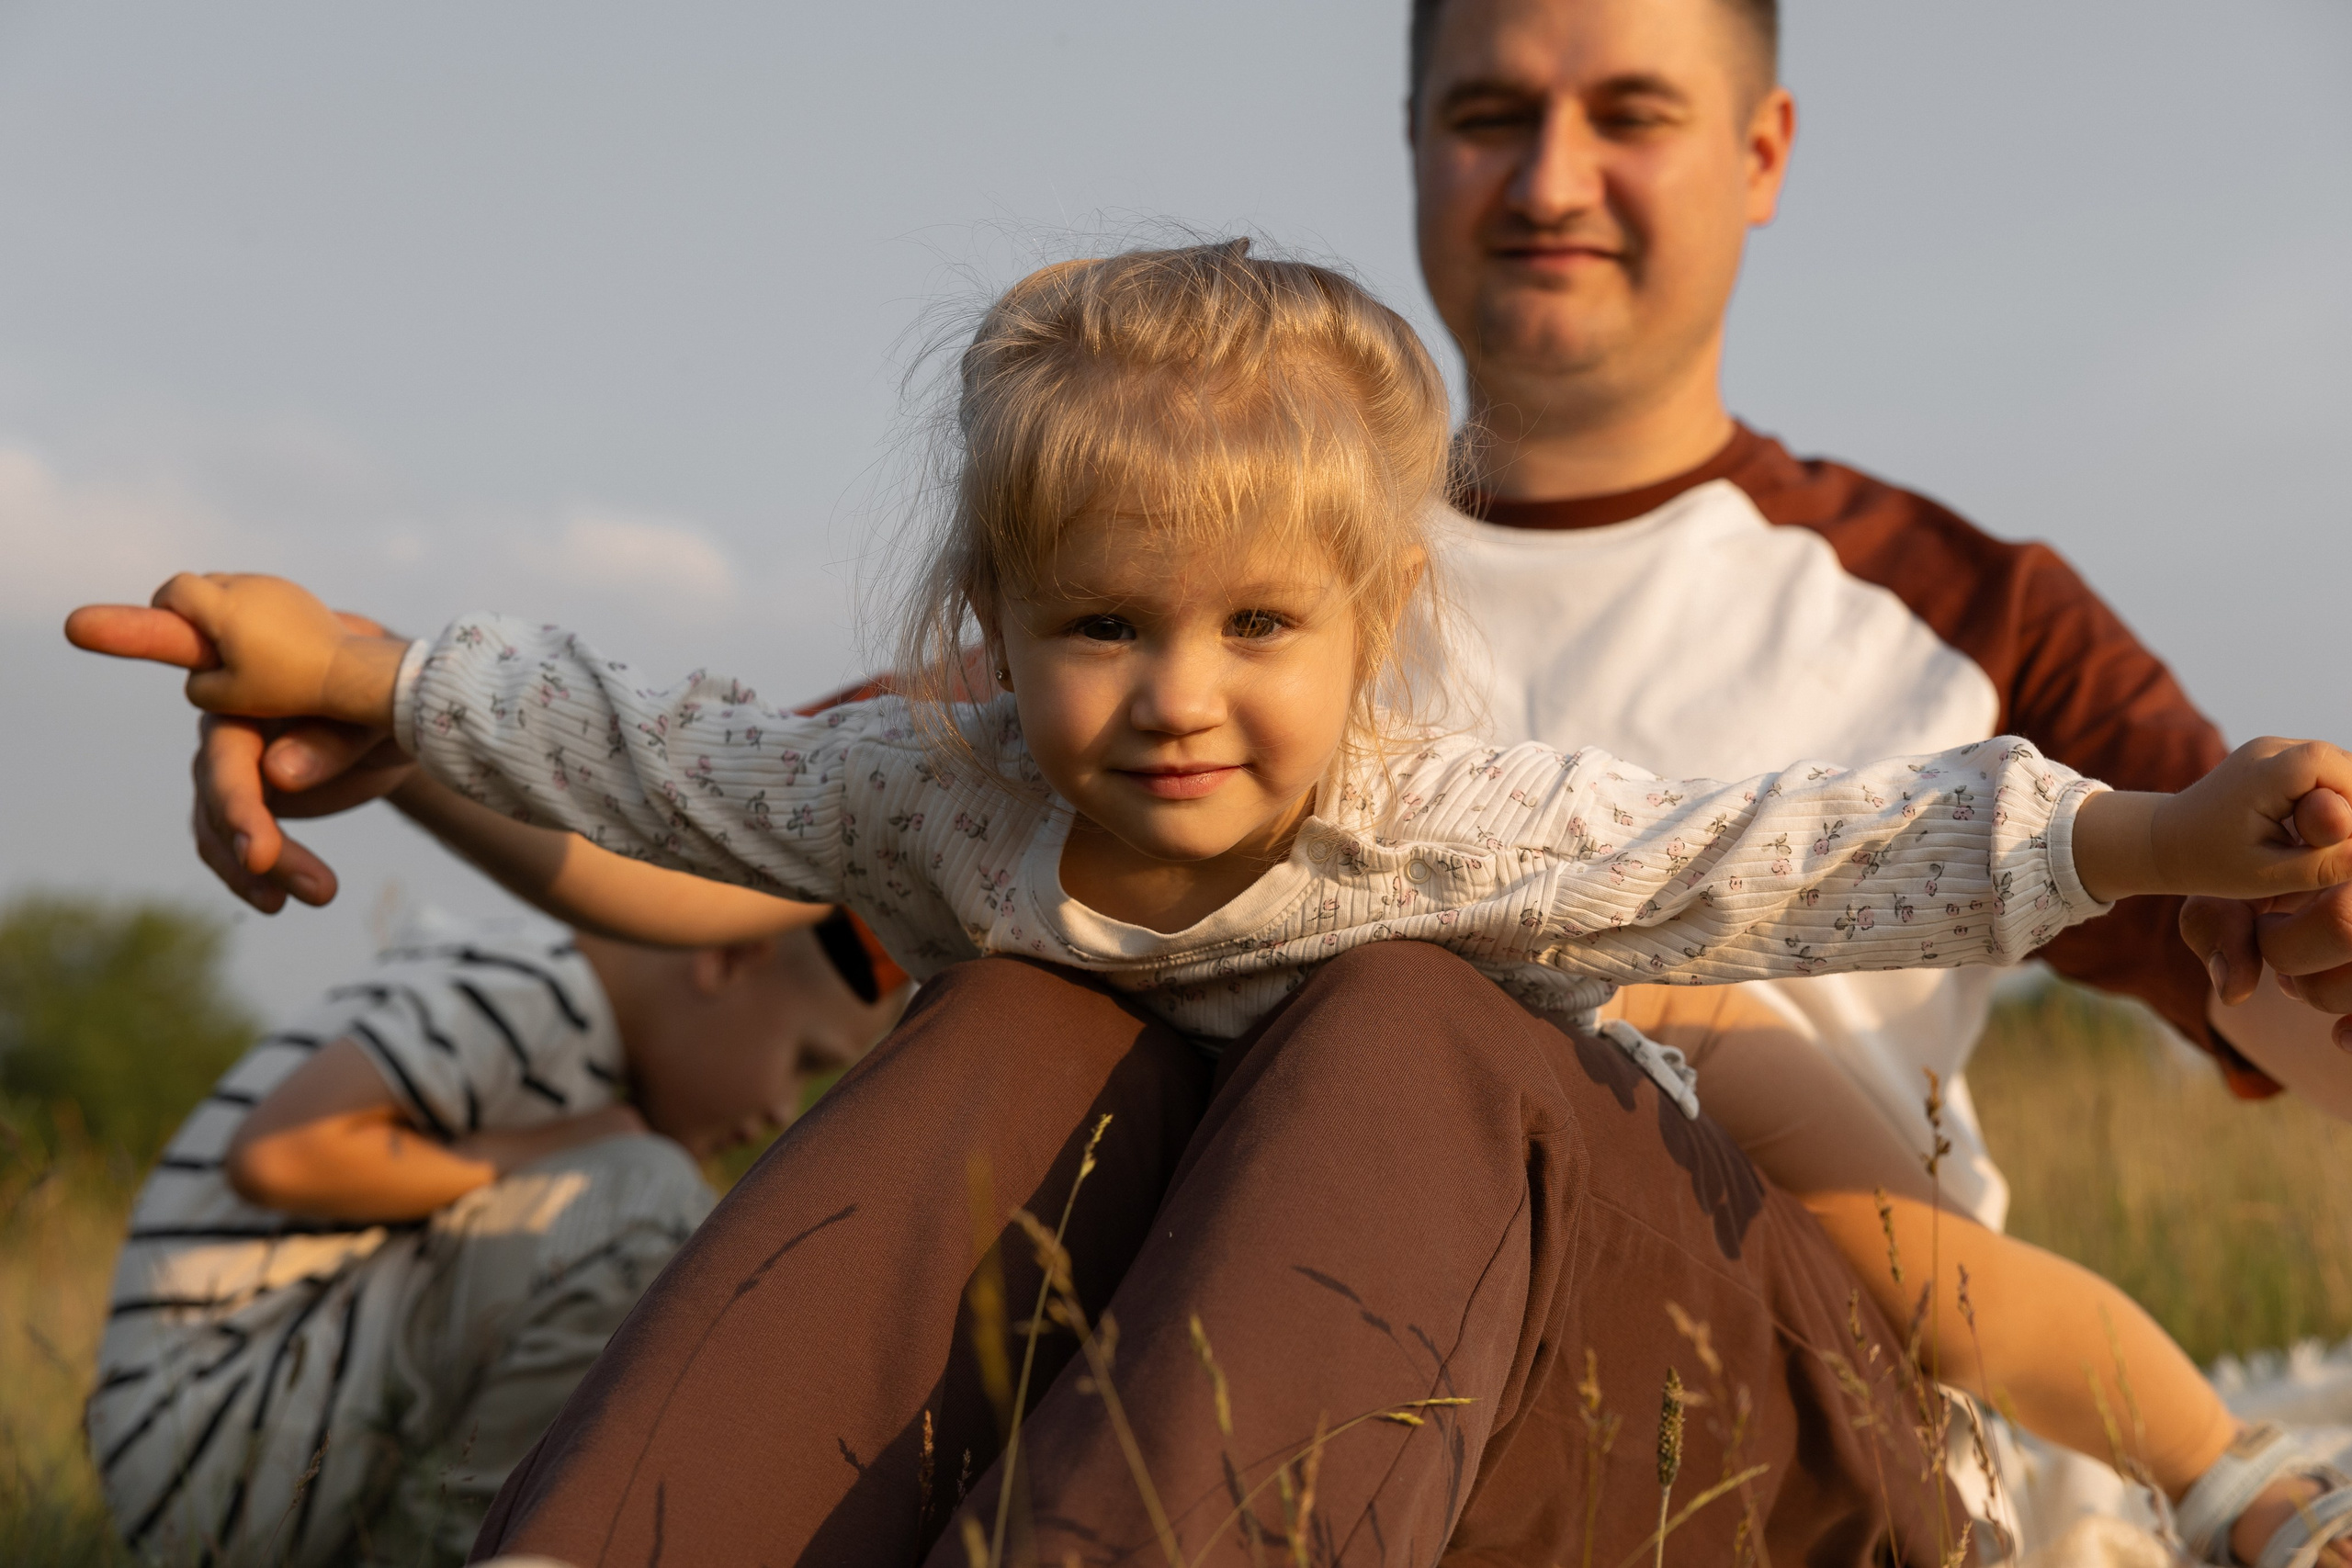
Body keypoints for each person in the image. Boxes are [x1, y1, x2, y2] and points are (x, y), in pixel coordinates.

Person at [67, 242, 2352, 1565]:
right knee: (1004, 1030)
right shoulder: (964, 798)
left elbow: (1776, 851)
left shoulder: (1467, 832)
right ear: (996, 617)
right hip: (1267, 1303)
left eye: (1256, 628)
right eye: (1100, 628)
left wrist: (2142, 836)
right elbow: (676, 762)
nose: (1174, 699)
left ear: (1368, 624)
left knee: (1387, 1014)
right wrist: (374, 674)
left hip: (1752, 1407)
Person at [86, 901, 906, 1568]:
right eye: (803, 1059)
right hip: (218, 1441)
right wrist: (565, 1147)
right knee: (642, 1204)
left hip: (230, 1448)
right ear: (731, 956)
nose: (780, 1111)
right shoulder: (543, 987)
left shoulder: (548, 991)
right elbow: (282, 1153)